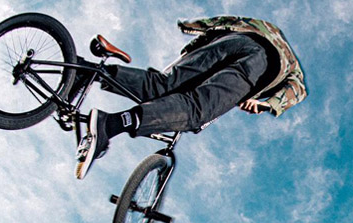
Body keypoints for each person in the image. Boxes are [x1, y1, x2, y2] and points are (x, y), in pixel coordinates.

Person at [75, 15, 307, 179]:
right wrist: (267, 104)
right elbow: (297, 90)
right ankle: (110, 125)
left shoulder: (265, 26)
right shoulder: (291, 64)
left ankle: (82, 71)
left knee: (162, 84)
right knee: (197, 109)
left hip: (228, 41)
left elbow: (224, 21)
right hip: (260, 63)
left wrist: (191, 35)